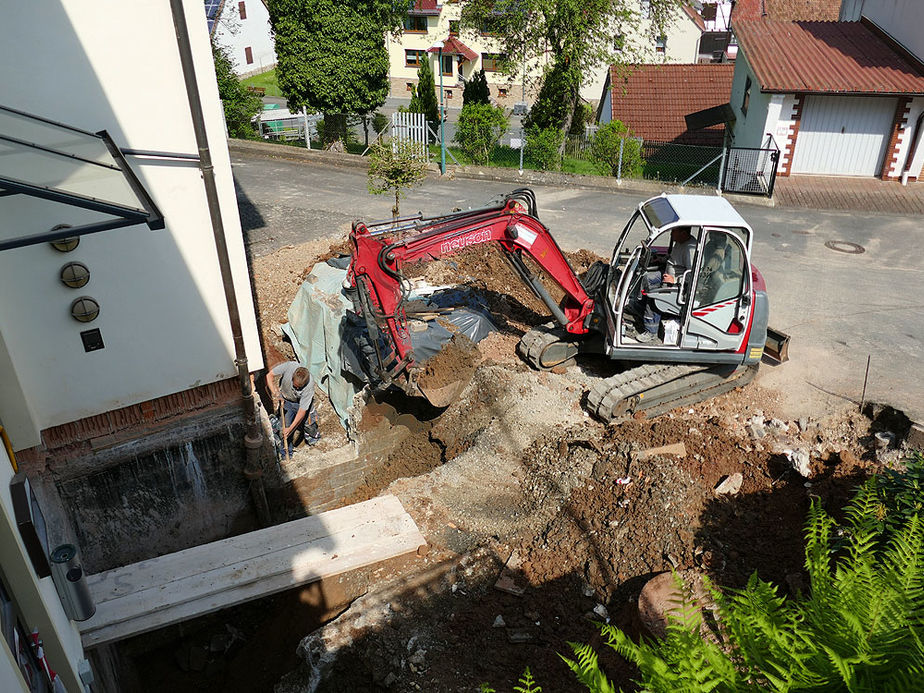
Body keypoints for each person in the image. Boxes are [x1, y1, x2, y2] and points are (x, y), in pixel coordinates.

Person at [636, 227, 698, 343]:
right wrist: (661, 259)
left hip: (677, 284)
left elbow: (693, 274)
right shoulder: (680, 242)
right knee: (646, 278)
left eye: (674, 231)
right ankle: (639, 306)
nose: (671, 234)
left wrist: (675, 280)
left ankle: (651, 330)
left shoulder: (691, 249)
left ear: (683, 233)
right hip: (667, 274)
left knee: (653, 294)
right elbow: (673, 259)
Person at [266, 361, 320, 455]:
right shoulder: (290, 366)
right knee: (284, 430)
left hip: (301, 404)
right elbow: (269, 375)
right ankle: (286, 453)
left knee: (309, 425)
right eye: (294, 385)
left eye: (299, 388)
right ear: (292, 377)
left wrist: (291, 428)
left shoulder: (309, 387)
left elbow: (302, 411)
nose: (296, 389)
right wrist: (276, 393)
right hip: (286, 401)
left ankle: (315, 444)